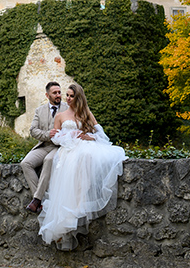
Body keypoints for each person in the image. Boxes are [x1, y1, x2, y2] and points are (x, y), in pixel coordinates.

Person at [37, 82, 126, 250]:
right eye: (67, 95)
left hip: (84, 149)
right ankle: (65, 227)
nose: (68, 98)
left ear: (78, 97)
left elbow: (101, 135)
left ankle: (77, 212)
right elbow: (55, 138)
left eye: (72, 96)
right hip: (67, 151)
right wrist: (67, 136)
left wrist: (88, 137)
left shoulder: (86, 113)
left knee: (82, 177)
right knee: (66, 186)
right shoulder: (60, 116)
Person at [20, 81, 66, 213]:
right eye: (54, 93)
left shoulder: (68, 108)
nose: (58, 95)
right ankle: (41, 200)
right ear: (47, 95)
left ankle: (36, 201)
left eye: (59, 92)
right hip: (43, 146)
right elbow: (33, 130)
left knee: (49, 160)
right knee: (25, 163)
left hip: (59, 147)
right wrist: (47, 134)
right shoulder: (39, 111)